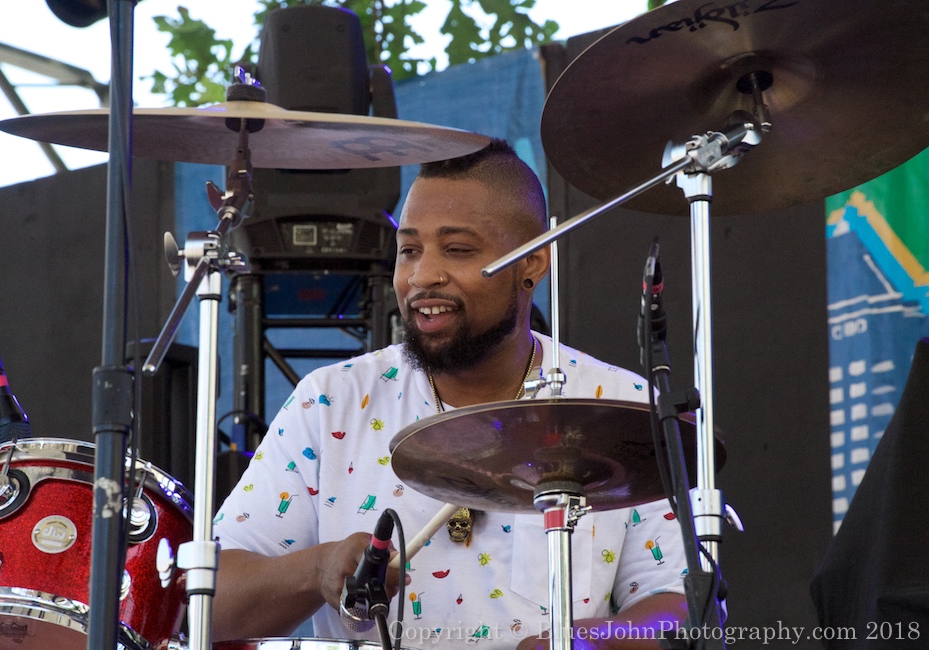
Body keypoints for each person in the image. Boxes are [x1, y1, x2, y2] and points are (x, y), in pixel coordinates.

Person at [211, 139, 689, 649]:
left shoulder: (619, 405)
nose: (422, 277)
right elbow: (208, 608)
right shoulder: (331, 403)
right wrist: (316, 567)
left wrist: (580, 644)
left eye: (458, 249)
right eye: (409, 250)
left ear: (535, 263)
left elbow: (682, 605)